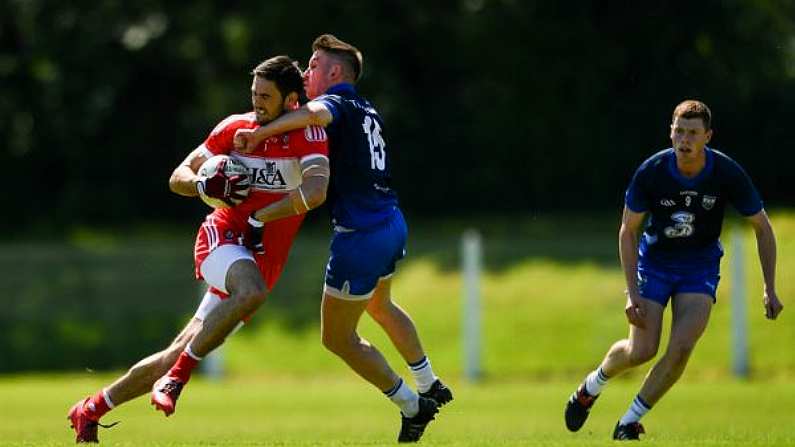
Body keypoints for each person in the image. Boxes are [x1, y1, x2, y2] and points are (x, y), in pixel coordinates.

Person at [67, 55, 330, 443]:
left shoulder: (307, 136)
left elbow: (315, 190)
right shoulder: (234, 128)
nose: (257, 102)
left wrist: (261, 216)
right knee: (251, 292)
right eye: (254, 93)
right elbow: (179, 176)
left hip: (262, 259)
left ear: (291, 100)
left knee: (177, 351)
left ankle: (91, 409)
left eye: (266, 96)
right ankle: (177, 380)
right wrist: (203, 187)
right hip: (221, 241)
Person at [234, 34, 452, 443]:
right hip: (391, 221)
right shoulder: (368, 108)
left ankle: (412, 404)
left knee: (336, 338)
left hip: (360, 236)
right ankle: (430, 383)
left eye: (313, 65)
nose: (304, 72)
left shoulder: (337, 103)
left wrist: (260, 135)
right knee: (380, 304)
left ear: (336, 73)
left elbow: (311, 116)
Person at [564, 99, 784, 440]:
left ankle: (628, 423)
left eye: (693, 133)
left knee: (681, 347)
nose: (684, 139)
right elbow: (627, 229)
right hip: (655, 265)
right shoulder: (652, 172)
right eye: (679, 131)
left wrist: (769, 287)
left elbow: (762, 226)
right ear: (670, 131)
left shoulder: (726, 172)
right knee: (642, 349)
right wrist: (632, 293)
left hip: (699, 267)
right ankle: (590, 387)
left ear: (708, 136)